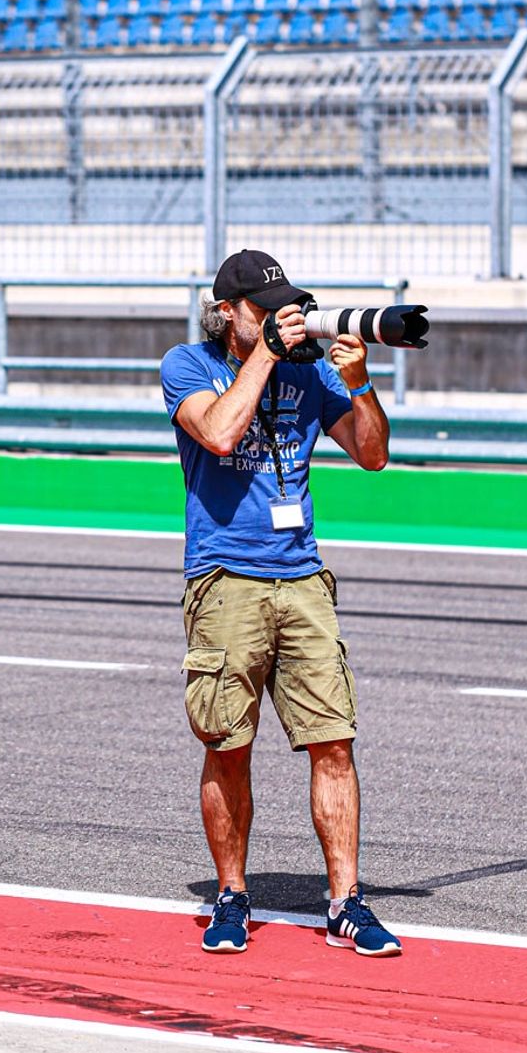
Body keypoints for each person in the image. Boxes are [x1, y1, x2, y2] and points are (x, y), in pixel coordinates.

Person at [160, 249, 402, 959]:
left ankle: (346, 903)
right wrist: (265, 355)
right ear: (226, 312)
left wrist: (358, 387)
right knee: (228, 746)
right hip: (225, 577)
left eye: (286, 309)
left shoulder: (305, 368)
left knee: (333, 740)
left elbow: (373, 455)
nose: (280, 321)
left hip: (302, 577)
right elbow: (222, 431)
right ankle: (232, 896)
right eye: (264, 311)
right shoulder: (188, 365)